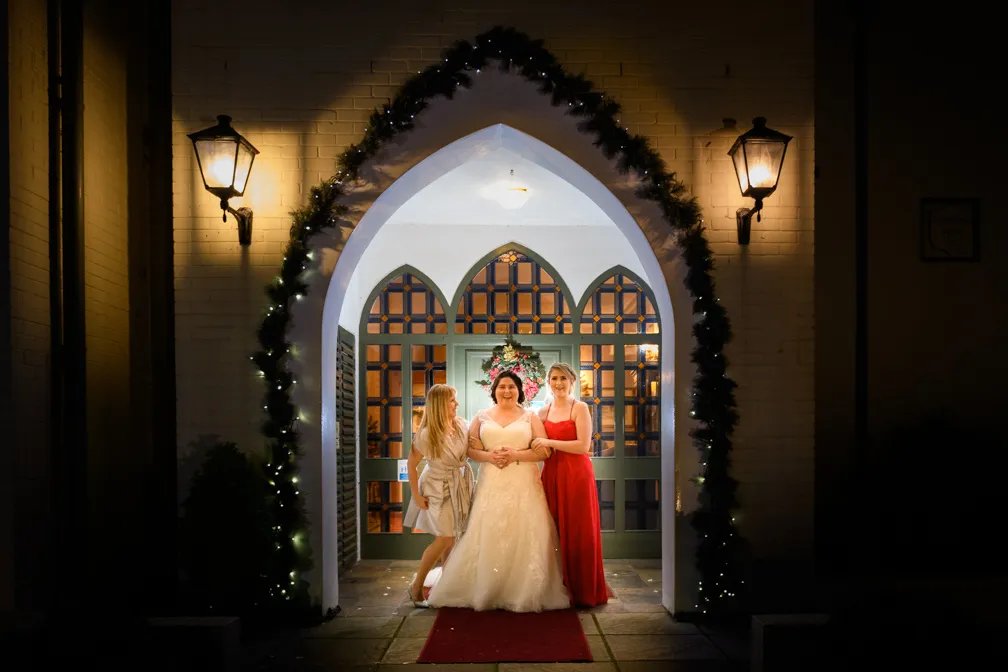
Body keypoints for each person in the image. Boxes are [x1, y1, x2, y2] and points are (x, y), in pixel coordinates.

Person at [425, 371, 570, 613]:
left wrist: (516, 455)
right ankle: (487, 587)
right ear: (494, 390)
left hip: (524, 482)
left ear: (519, 390)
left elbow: (545, 452)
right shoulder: (481, 418)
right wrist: (489, 457)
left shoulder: (530, 417)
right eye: (502, 386)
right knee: (489, 530)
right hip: (491, 483)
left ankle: (522, 589)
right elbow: (471, 451)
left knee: (525, 531)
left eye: (511, 386)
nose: (506, 391)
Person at [534, 362, 609, 607]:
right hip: (552, 474)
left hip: (576, 474)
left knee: (578, 530)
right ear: (548, 382)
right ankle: (558, 588)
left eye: (563, 378)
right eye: (554, 378)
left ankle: (583, 590)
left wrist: (549, 441)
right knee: (552, 528)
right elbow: (535, 444)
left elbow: (583, 446)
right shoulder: (542, 412)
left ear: (572, 381)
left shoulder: (580, 408)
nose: (558, 383)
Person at [403, 384, 474, 606]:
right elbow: (412, 464)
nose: (457, 404)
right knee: (445, 537)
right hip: (438, 488)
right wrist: (415, 495)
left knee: (453, 538)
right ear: (439, 404)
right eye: (452, 400)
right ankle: (416, 587)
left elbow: (470, 450)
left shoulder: (461, 424)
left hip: (460, 485)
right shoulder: (426, 435)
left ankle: (447, 587)